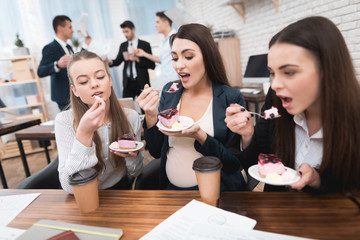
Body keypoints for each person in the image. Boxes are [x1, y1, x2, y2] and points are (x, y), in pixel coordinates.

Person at [225, 16, 360, 195]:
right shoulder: (276, 101)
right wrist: (248, 134)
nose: (274, 85)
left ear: (327, 70)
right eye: (272, 73)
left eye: (289, 72)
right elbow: (254, 163)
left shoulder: (354, 120)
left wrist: (317, 180)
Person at [137, 23, 246, 191]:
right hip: (172, 190)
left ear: (208, 57)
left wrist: (200, 136)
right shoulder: (169, 91)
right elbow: (156, 151)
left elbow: (233, 164)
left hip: (218, 191)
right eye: (174, 58)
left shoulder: (230, 98)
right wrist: (151, 115)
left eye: (188, 56)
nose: (179, 65)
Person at [55, 51, 143, 194]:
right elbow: (68, 186)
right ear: (75, 90)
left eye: (100, 77)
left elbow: (136, 172)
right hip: (84, 196)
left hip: (119, 192)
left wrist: (132, 158)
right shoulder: (64, 121)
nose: (95, 84)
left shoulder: (131, 117)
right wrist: (84, 133)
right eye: (83, 81)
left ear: (110, 80)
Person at [38, 15, 91, 111]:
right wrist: (57, 64)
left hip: (74, 94)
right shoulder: (50, 47)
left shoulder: (69, 47)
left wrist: (86, 44)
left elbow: (76, 62)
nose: (73, 30)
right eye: (70, 27)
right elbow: (40, 71)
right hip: (64, 96)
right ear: (60, 28)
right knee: (71, 124)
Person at [106, 20, 155, 99]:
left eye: (127, 31)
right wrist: (110, 61)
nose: (125, 34)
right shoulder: (123, 45)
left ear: (133, 30)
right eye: (123, 32)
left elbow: (151, 65)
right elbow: (118, 61)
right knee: (127, 106)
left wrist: (137, 59)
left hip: (141, 82)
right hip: (128, 83)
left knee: (145, 106)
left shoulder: (144, 45)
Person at [135, 11, 179, 88]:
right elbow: (161, 59)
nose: (155, 25)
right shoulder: (163, 41)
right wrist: (144, 53)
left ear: (166, 22)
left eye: (157, 22)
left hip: (175, 81)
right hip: (166, 81)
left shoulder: (176, 38)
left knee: (174, 100)